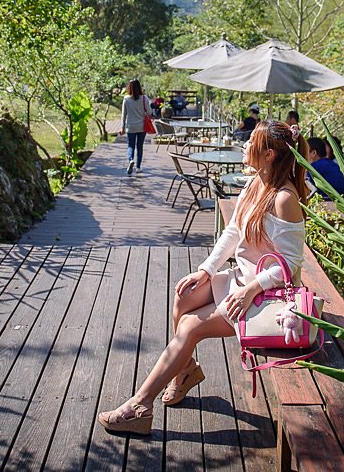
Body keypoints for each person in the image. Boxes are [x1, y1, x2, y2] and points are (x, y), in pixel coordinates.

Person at [98, 121, 308, 435]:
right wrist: (206, 270)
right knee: (184, 294)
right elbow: (234, 231)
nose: (244, 143)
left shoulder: (283, 198)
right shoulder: (255, 184)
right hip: (241, 280)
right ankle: (184, 372)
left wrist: (251, 288)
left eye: (251, 140)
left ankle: (140, 406)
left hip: (264, 296)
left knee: (189, 326)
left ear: (267, 154)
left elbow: (290, 264)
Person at [118, 79, 151, 175]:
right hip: (142, 127)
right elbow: (149, 112)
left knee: (131, 145)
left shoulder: (126, 99)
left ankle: (131, 160)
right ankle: (138, 167)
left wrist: (122, 128)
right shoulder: (144, 98)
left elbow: (123, 115)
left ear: (129, 88)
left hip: (130, 127)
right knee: (140, 146)